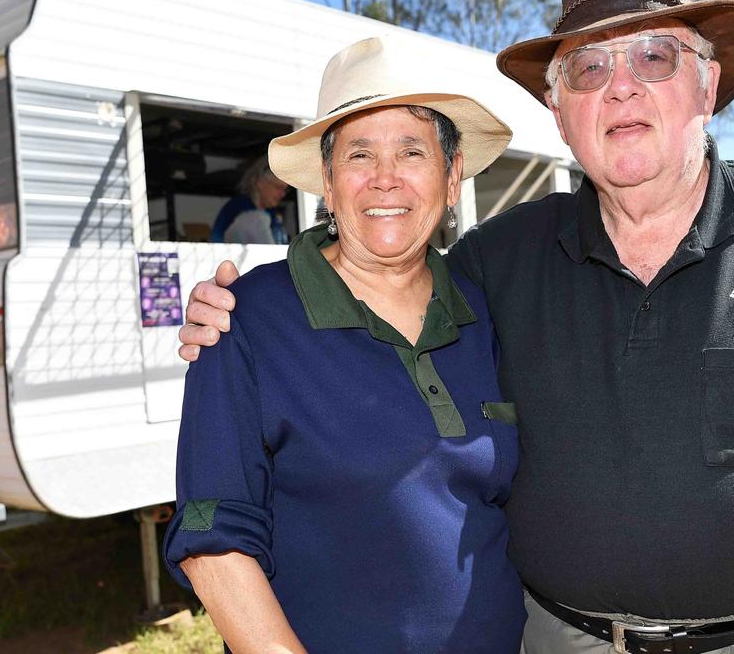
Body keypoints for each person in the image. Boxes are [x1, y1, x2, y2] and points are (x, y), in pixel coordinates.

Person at [179, 0, 734, 654]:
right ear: (561, 112)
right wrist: (232, 311)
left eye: (655, 59)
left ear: (707, 85)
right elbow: (368, 291)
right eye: (590, 70)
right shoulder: (498, 264)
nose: (622, 88)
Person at [163, 36, 525, 653]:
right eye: (360, 155)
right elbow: (213, 543)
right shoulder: (244, 320)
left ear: (452, 173)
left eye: (413, 151)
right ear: (328, 183)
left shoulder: (484, 312)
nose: (385, 179)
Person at [209, 156, 291, 244]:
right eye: (278, 187)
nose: (283, 194)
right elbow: (216, 242)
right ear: (260, 183)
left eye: (285, 189)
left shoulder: (271, 211)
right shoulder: (237, 208)